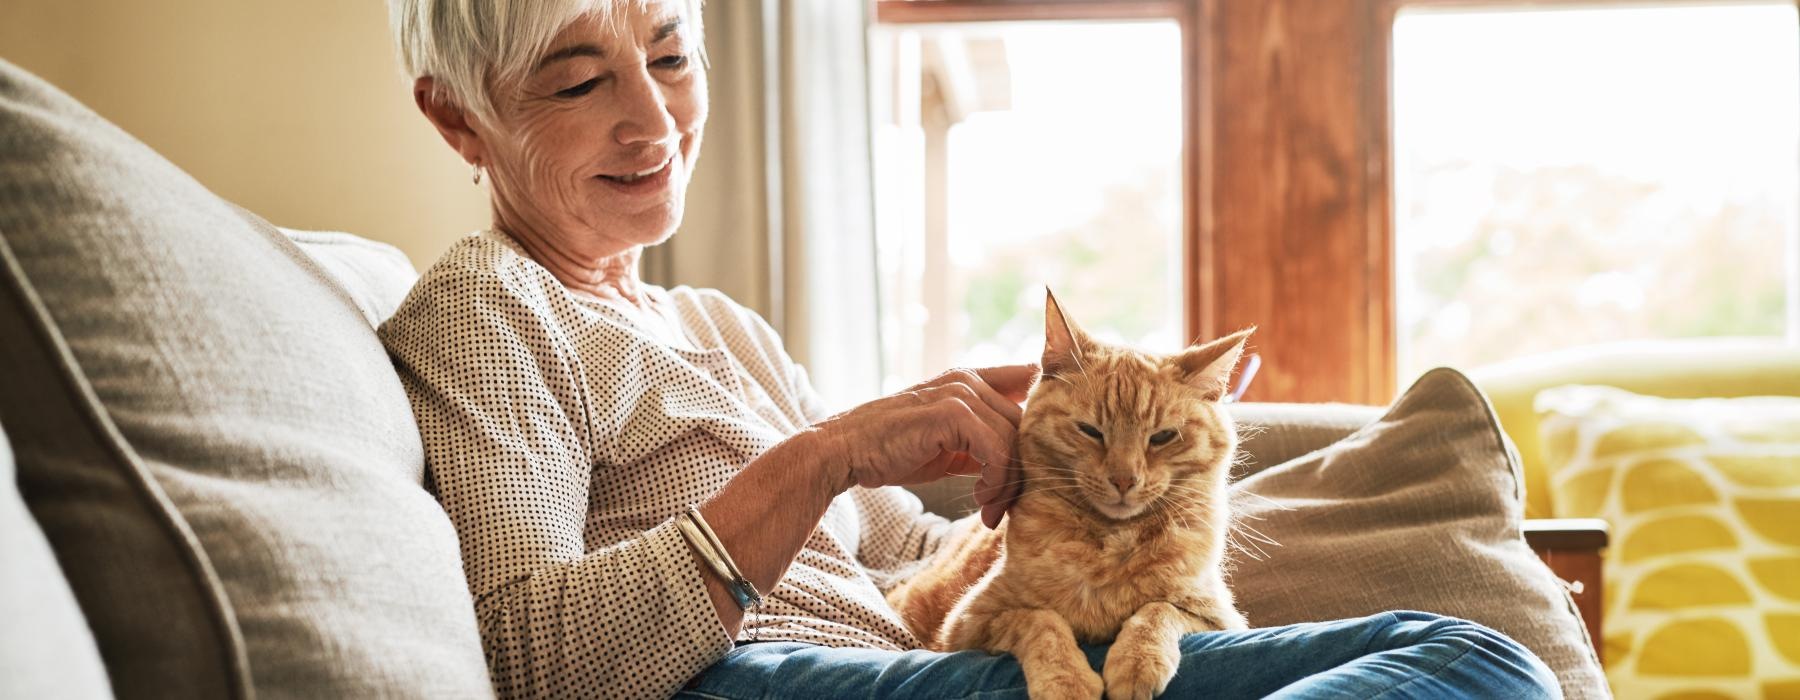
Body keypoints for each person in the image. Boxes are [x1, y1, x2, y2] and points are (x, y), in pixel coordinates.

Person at [377, 1, 1562, 698]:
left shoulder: (714, 323)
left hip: (915, 658)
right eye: (580, 80)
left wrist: (1068, 466)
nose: (653, 118)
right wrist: (830, 451)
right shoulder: (486, 309)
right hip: (764, 682)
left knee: (1464, 652)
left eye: (672, 56)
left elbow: (913, 555)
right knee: (1471, 670)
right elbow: (533, 658)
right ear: (456, 116)